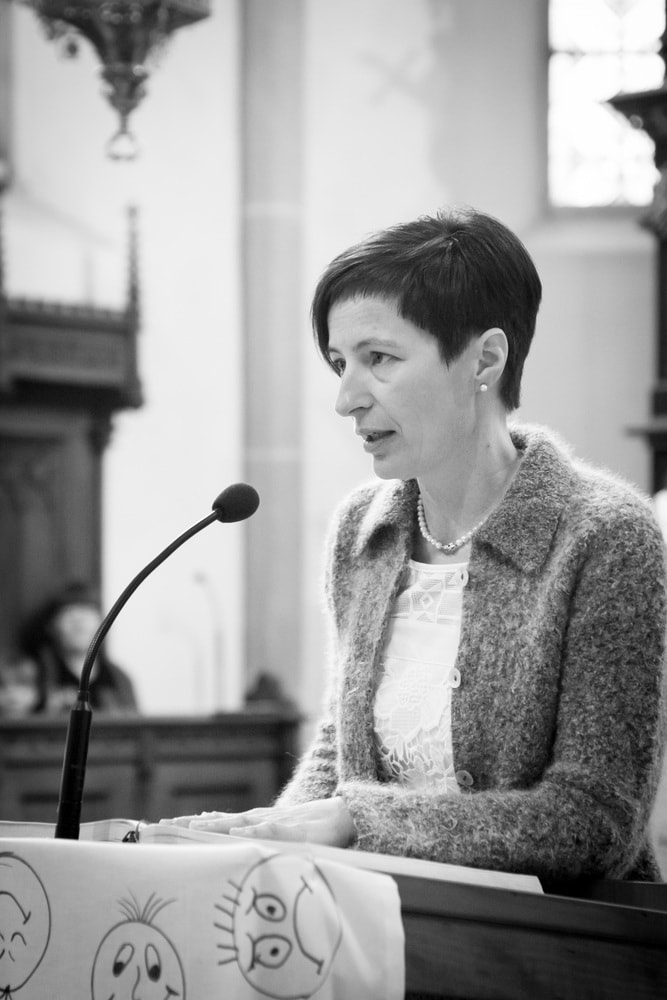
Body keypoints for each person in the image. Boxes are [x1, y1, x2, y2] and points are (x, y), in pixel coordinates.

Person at [167, 206, 667, 883]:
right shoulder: (361, 529)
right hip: (370, 920)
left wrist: (361, 821)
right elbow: (339, 756)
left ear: (484, 359)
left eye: (378, 359)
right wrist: (260, 844)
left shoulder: (605, 536)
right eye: (339, 363)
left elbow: (594, 822)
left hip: (545, 937)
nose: (346, 398)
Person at [0, 582, 138, 715]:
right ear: (50, 626)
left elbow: (133, 723)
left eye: (87, 611)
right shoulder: (32, 671)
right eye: (68, 612)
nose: (78, 621)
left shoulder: (118, 677)